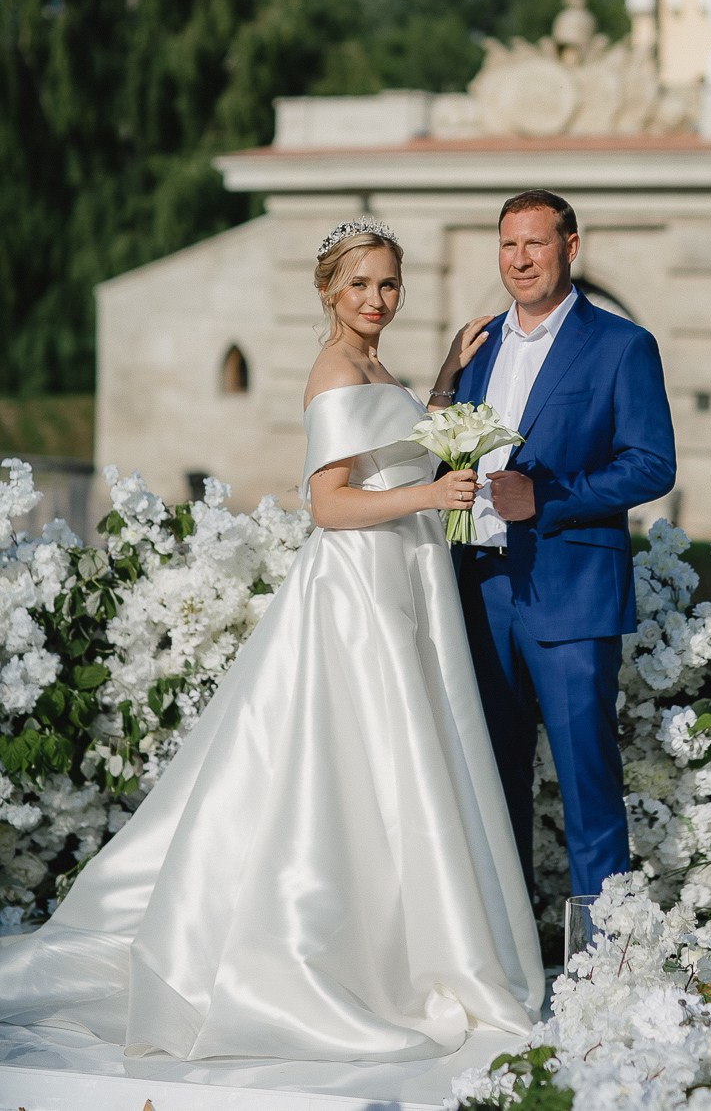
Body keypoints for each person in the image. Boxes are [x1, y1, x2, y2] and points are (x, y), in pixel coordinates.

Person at [0, 218, 543, 1062]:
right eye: (360, 284)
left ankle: (410, 941)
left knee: (402, 758)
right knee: (351, 760)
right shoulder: (333, 371)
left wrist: (440, 385)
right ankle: (329, 957)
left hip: (403, 575)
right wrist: (431, 500)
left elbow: (390, 454)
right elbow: (328, 506)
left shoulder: (375, 366)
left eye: (389, 284)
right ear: (329, 290)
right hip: (358, 588)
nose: (376, 299)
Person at [429, 190, 676, 901]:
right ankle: (506, 960)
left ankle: (602, 976)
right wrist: (445, 383)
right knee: (490, 785)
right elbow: (447, 452)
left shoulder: (624, 345)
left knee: (588, 791)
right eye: (508, 245)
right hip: (480, 591)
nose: (520, 259)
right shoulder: (478, 347)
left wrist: (551, 496)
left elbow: (651, 462)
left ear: (571, 247)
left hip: (572, 595)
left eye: (535, 243)